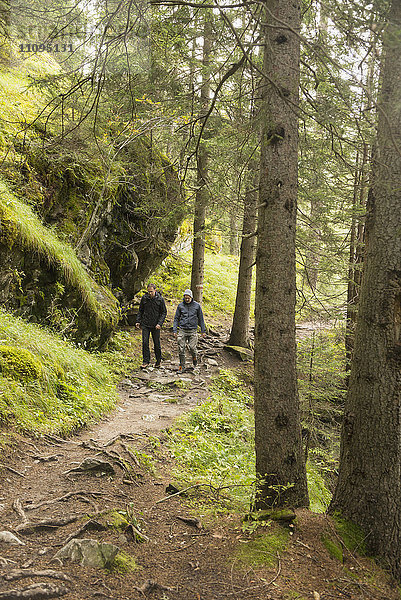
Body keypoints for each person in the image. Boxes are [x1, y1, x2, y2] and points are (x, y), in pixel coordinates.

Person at [173, 288, 206, 372]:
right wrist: (174, 330)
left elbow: (201, 319)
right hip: (182, 330)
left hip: (193, 330)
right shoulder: (180, 306)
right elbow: (176, 318)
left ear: (191, 297)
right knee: (181, 349)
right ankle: (182, 366)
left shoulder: (197, 306)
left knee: (192, 348)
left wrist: (203, 330)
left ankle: (194, 358)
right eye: (185, 298)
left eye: (188, 298)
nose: (187, 299)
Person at [136, 283, 167, 368]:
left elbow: (164, 312)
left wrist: (160, 323)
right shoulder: (144, 298)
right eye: (148, 291)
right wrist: (138, 321)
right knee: (145, 342)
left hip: (155, 325)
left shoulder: (160, 299)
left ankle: (158, 361)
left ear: (155, 290)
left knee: (156, 343)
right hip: (145, 324)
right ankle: (146, 361)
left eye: (151, 291)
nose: (150, 293)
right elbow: (140, 310)